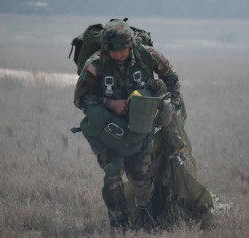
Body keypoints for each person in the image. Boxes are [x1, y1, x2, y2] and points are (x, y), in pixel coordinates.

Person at [73, 19, 212, 232]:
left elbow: (171, 77)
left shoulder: (148, 55)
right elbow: (80, 99)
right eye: (113, 50)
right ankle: (120, 227)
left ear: (130, 44)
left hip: (140, 127)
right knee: (113, 176)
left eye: (123, 49)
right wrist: (109, 103)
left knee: (142, 179)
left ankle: (147, 222)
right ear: (105, 47)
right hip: (109, 129)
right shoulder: (95, 64)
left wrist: (171, 108)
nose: (118, 54)